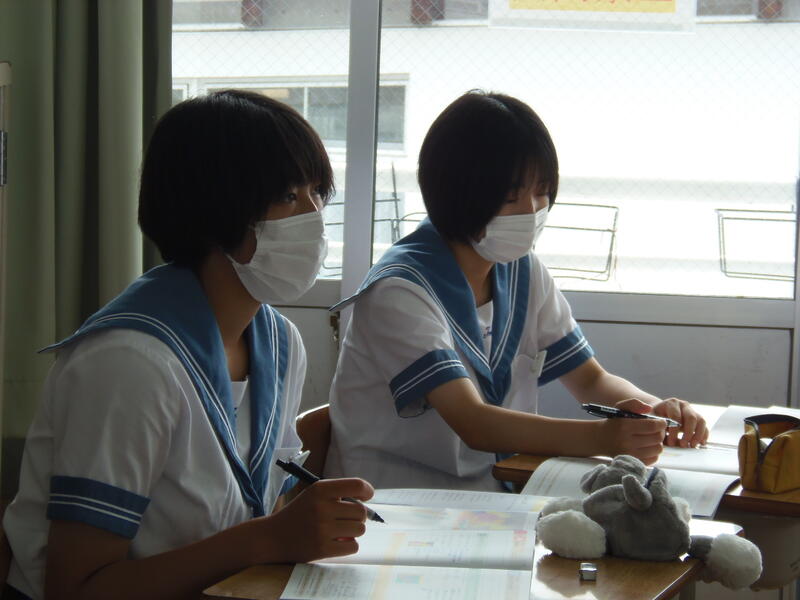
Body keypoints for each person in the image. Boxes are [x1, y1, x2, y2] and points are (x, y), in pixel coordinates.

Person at [2, 90, 372, 600]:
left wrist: (295, 526)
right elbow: (75, 588)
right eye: (289, 196)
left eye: (317, 194)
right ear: (215, 209)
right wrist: (265, 539)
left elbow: (263, 503)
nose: (314, 217)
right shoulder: (128, 362)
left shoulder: (280, 342)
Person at [324, 90, 709, 492]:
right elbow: (473, 421)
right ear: (456, 193)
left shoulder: (522, 270)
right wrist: (602, 439)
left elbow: (591, 380)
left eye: (541, 190)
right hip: (395, 499)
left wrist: (653, 411)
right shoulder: (398, 290)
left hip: (492, 492)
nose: (531, 210)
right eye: (510, 196)